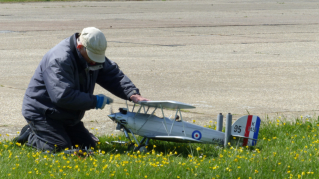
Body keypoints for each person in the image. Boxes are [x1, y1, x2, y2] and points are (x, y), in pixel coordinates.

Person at [14, 27, 149, 152]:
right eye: (92, 57)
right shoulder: (59, 59)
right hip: (43, 112)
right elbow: (62, 96)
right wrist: (94, 101)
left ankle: (57, 133)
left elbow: (112, 75)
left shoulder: (92, 54)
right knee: (59, 148)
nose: (94, 62)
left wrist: (132, 94)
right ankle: (30, 134)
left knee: (87, 147)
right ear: (80, 47)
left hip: (66, 114)